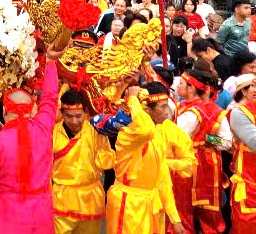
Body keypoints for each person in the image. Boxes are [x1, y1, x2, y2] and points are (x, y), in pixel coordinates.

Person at [0, 47, 62, 234]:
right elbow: (50, 98)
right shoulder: (43, 129)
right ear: (32, 110)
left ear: (4, 112)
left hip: (6, 217)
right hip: (40, 216)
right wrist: (50, 62)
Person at [105, 84, 186, 234]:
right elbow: (144, 130)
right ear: (147, 110)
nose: (168, 113)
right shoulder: (129, 134)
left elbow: (162, 178)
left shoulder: (159, 134)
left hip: (151, 206)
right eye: (163, 107)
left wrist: (175, 218)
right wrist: (134, 100)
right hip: (128, 204)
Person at [173, 69, 231, 234]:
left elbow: (227, 143)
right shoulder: (180, 106)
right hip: (188, 162)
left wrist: (207, 139)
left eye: (182, 83)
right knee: (183, 207)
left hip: (203, 165)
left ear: (191, 88)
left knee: (204, 210)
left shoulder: (213, 112)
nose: (178, 85)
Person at [50, 88, 114, 234]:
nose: (74, 121)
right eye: (68, 116)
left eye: (78, 116)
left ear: (85, 112)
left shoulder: (95, 131)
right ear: (62, 114)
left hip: (90, 199)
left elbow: (106, 161)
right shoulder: (53, 132)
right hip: (62, 198)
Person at [228, 73, 256, 232]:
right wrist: (208, 141)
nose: (254, 89)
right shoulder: (236, 112)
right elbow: (223, 139)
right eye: (251, 86)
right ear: (243, 92)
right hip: (248, 177)